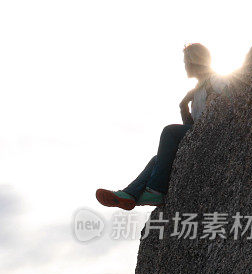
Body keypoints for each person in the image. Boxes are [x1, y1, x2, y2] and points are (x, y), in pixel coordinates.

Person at [96, 43, 229, 210]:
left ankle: (156, 191)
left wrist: (217, 102)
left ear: (195, 61)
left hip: (216, 132)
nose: (185, 66)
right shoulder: (196, 92)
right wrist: (184, 108)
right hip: (203, 134)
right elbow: (191, 131)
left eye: (186, 62)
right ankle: (129, 195)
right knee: (157, 160)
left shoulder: (215, 79)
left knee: (169, 131)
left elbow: (231, 92)